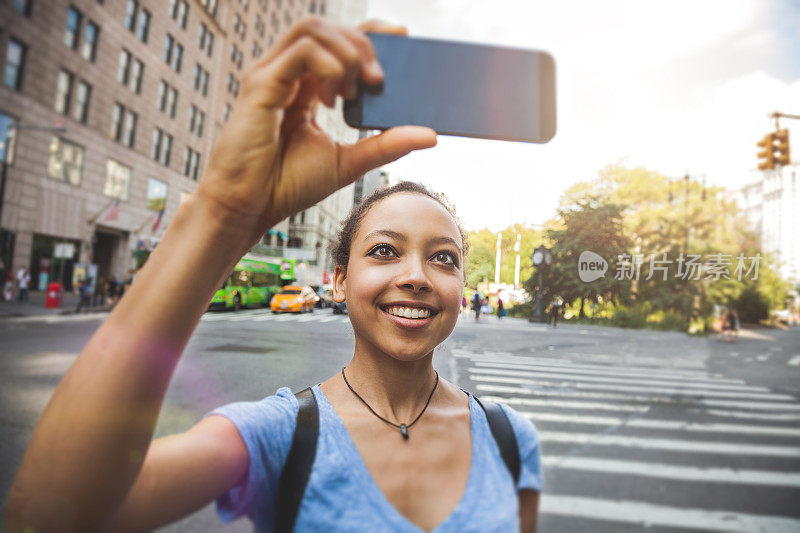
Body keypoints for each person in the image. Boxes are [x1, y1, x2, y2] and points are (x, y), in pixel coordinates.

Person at [5, 18, 541, 533]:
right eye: (383, 250)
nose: (417, 276)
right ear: (336, 281)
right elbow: (52, 516)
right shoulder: (281, 433)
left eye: (443, 258)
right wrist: (223, 211)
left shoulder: (511, 438)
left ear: (462, 289)